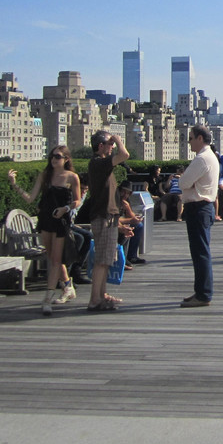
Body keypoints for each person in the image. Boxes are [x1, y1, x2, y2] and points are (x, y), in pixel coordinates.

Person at [8, 145, 81, 315]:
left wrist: (65, 208)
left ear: (66, 159)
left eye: (58, 156)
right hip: (46, 219)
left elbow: (77, 200)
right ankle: (67, 286)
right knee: (52, 256)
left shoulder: (72, 177)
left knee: (55, 260)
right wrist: (14, 184)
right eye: (52, 156)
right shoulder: (45, 175)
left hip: (60, 220)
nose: (54, 159)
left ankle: (48, 298)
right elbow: (31, 198)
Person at [85, 131, 129, 311]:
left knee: (106, 259)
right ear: (100, 146)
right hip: (103, 217)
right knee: (102, 260)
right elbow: (124, 155)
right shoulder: (97, 163)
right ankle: (95, 299)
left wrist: (119, 225)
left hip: (109, 217)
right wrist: (118, 139)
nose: (112, 146)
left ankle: (101, 295)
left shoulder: (102, 165)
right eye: (109, 143)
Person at [178, 125, 220, 308]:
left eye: (191, 138)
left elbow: (183, 183)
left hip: (198, 207)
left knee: (200, 253)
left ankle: (203, 294)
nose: (189, 142)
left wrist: (185, 181)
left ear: (200, 138)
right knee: (200, 252)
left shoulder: (202, 159)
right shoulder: (210, 156)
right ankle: (201, 290)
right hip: (204, 207)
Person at [117, 180, 146, 267]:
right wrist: (130, 220)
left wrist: (128, 208)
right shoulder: (114, 200)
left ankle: (132, 255)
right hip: (112, 224)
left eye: (128, 193)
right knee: (127, 230)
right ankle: (123, 257)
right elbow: (114, 219)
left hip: (119, 223)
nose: (125, 195)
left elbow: (131, 216)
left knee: (138, 225)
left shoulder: (126, 200)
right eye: (123, 192)